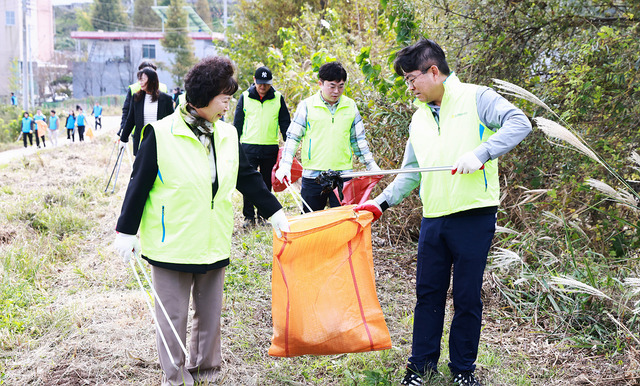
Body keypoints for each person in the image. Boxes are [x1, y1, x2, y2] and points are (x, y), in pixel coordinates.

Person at [355, 39, 532, 386]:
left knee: (466, 296)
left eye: (412, 79)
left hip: (474, 215)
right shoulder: (418, 119)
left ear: (433, 71)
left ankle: (463, 370)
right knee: (428, 294)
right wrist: (380, 204)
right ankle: (420, 368)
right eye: (406, 81)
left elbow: (519, 122)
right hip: (434, 218)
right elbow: (410, 173)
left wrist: (482, 153)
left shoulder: (476, 98)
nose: (410, 88)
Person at [113, 56, 289, 386]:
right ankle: (175, 377)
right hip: (172, 244)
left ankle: (205, 372)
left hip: (212, 240)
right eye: (224, 96)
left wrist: (274, 211)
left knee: (209, 316)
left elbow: (246, 177)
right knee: (173, 317)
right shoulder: (161, 134)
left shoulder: (225, 134)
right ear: (207, 96)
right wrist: (126, 230)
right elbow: (139, 184)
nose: (228, 103)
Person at [274, 61, 379, 212]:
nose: (336, 91)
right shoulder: (307, 105)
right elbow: (293, 137)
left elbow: (358, 140)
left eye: (341, 86)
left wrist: (370, 165)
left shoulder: (350, 106)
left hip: (343, 176)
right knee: (311, 220)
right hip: (313, 176)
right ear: (320, 84)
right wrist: (286, 164)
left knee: (342, 221)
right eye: (332, 86)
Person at [233, 66, 291, 227]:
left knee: (266, 183)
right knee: (249, 183)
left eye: (266, 84)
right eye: (260, 84)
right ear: (254, 81)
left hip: (269, 146)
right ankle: (249, 217)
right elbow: (238, 123)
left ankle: (263, 216)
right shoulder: (245, 97)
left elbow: (285, 122)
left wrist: (288, 143)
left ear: (271, 83)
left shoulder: (278, 98)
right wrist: (234, 143)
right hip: (248, 147)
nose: (263, 87)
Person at [119, 68, 174, 155]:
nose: (140, 82)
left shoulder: (166, 99)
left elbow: (172, 122)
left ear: (152, 80)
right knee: (140, 168)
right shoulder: (136, 98)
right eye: (139, 79)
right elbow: (130, 120)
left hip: (159, 142)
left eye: (143, 79)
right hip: (141, 141)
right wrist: (123, 139)